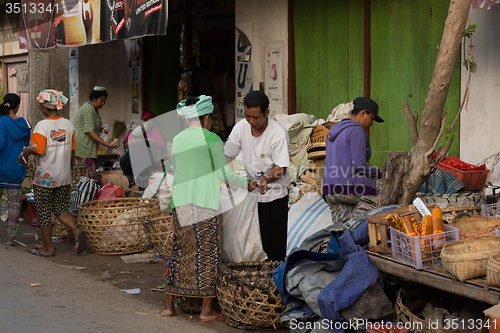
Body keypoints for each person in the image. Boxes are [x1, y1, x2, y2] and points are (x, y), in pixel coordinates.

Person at [162, 95, 257, 320]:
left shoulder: (177, 139)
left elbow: (177, 168)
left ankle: (168, 307)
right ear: (206, 117)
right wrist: (248, 184)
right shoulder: (211, 138)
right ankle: (206, 310)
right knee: (208, 254)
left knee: (180, 252)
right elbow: (223, 174)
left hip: (181, 204)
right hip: (204, 204)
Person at [224, 90, 290, 261]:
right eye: (247, 116)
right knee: (253, 244)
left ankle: (273, 279)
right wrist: (231, 177)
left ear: (266, 113)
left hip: (275, 195)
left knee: (274, 245)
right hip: (250, 196)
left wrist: (265, 179)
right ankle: (254, 280)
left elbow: (281, 167)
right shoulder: (241, 127)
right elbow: (227, 155)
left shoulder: (278, 133)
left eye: (256, 117)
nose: (251, 122)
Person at [22, 90, 87, 257]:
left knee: (43, 212)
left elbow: (39, 150)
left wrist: (27, 150)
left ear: (45, 106)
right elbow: (72, 150)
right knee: (61, 208)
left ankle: (48, 248)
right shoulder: (68, 124)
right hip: (64, 175)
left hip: (45, 177)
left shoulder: (42, 126)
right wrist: (71, 170)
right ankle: (75, 229)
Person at [322, 97, 384, 231]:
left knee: (340, 231)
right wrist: (380, 173)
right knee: (386, 190)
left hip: (330, 190)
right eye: (371, 118)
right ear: (363, 113)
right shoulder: (357, 131)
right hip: (347, 186)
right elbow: (359, 165)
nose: (371, 124)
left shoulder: (334, 131)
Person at [0, 93, 31, 246]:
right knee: (14, 207)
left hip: (1, 169)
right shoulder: (25, 124)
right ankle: (10, 238)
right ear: (18, 106)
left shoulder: (1, 121)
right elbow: (26, 147)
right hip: (16, 171)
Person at [73, 86, 117, 179]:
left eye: (104, 101)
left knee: (89, 177)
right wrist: (104, 143)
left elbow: (91, 128)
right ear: (94, 98)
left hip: (89, 149)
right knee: (87, 178)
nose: (103, 103)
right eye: (101, 101)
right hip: (83, 149)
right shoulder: (88, 110)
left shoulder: (94, 110)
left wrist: (101, 131)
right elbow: (89, 131)